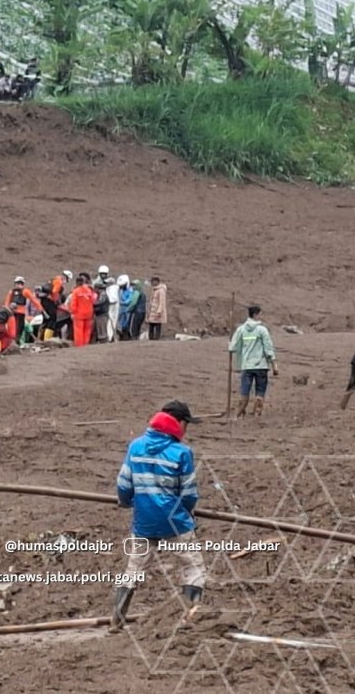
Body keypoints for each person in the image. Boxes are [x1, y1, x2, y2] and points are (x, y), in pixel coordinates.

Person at [112, 400, 205, 631]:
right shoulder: (182, 452)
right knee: (193, 566)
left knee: (134, 569)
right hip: (175, 520)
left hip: (144, 520)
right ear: (179, 422)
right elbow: (189, 493)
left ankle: (117, 619)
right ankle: (189, 617)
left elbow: (124, 483)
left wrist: (125, 502)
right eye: (186, 424)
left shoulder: (135, 446)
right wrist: (189, 513)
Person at [228, 305, 278, 417]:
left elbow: (232, 348)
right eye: (260, 314)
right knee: (260, 391)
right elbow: (268, 348)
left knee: (245, 391)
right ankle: (257, 413)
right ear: (255, 315)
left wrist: (230, 344)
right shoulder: (262, 330)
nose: (261, 316)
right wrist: (274, 364)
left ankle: (239, 413)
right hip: (261, 366)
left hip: (246, 366)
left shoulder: (241, 330)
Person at [4, 277, 43, 341]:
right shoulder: (24, 291)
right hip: (18, 312)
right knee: (18, 328)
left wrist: (6, 309)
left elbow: (7, 302)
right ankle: (15, 341)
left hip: (13, 312)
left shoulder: (12, 291)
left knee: (15, 328)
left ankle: (14, 341)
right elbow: (33, 299)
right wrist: (40, 308)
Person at [67, 273, 97, 347]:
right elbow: (93, 301)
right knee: (87, 330)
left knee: (78, 330)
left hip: (78, 314)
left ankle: (79, 345)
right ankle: (85, 344)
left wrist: (72, 313)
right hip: (89, 313)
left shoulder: (76, 291)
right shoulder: (89, 291)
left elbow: (73, 304)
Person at [92, 265, 111, 343]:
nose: (103, 275)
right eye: (102, 274)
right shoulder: (96, 282)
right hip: (100, 308)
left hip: (104, 308)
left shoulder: (109, 282)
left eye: (105, 274)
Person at [116, 275, 134, 340]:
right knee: (120, 323)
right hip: (121, 309)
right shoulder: (121, 290)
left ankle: (126, 336)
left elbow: (129, 300)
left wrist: (122, 302)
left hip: (127, 309)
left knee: (126, 323)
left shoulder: (130, 290)